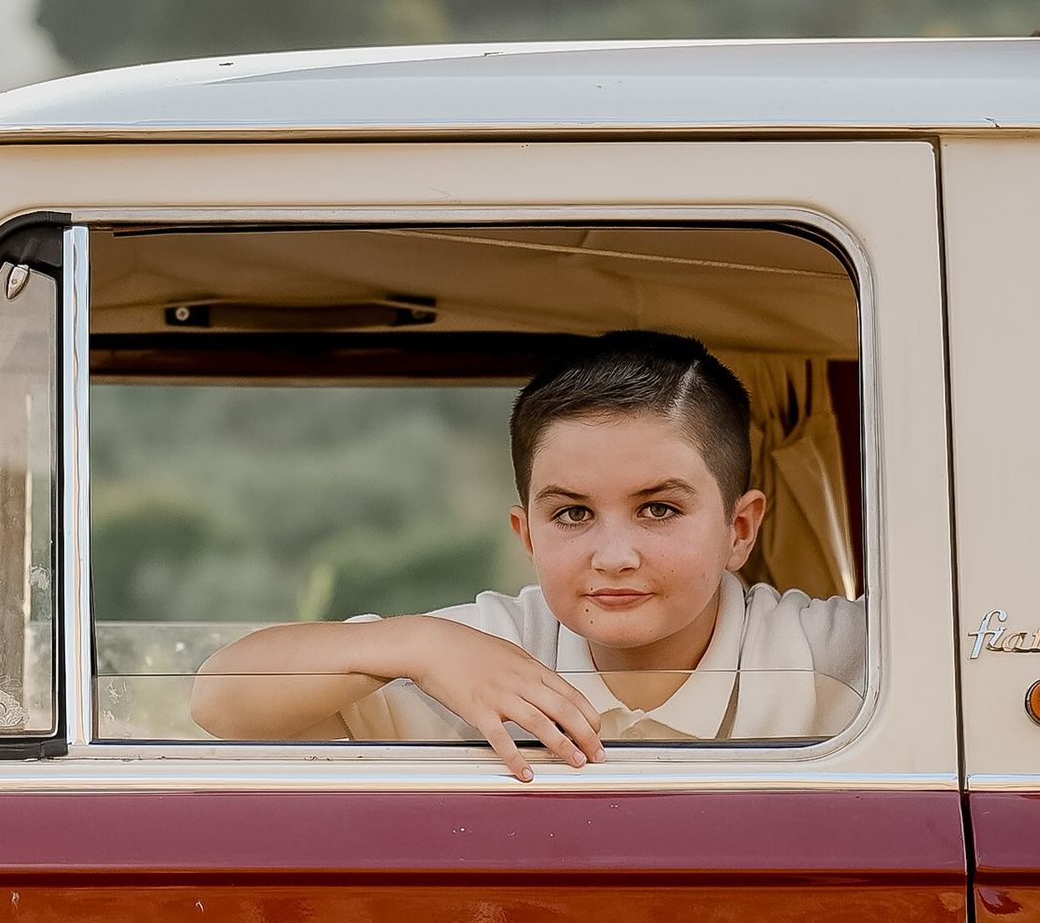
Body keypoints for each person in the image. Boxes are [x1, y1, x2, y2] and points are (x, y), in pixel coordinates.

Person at [191, 331, 865, 779]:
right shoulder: (483, 652)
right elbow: (218, 700)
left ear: (739, 530)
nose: (614, 556)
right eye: (573, 514)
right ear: (527, 535)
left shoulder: (831, 651)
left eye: (659, 509)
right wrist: (421, 645)